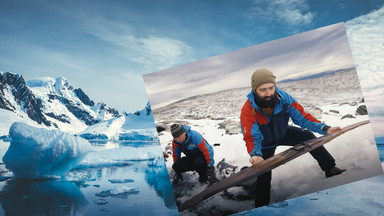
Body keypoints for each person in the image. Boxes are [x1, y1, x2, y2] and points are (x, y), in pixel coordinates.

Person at [240, 68, 346, 208]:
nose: (268, 93)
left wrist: (325, 129)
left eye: (271, 88)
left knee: (307, 136)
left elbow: (303, 118)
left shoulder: (284, 99)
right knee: (264, 174)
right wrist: (256, 154)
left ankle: (330, 168)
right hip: (265, 143)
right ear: (255, 90)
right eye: (263, 90)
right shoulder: (248, 110)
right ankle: (261, 206)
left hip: (283, 133)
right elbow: (252, 137)